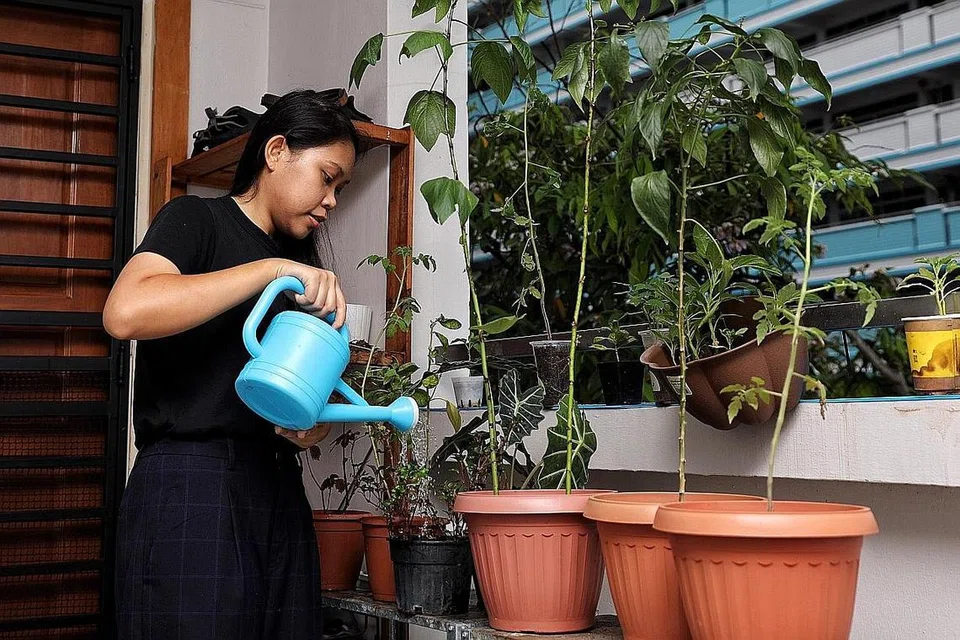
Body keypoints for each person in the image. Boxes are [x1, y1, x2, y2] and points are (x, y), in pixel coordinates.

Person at [104, 90, 359, 639]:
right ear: (276, 152)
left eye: (341, 188)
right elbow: (125, 312)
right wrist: (268, 269)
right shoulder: (197, 220)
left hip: (277, 492)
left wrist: (306, 427)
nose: (332, 200)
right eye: (327, 177)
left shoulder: (301, 273)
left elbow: (304, 423)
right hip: (190, 488)